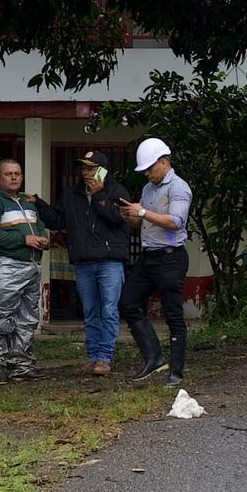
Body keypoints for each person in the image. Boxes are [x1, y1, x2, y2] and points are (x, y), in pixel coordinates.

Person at [60, 150, 139, 375]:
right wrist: (38, 205)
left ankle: (105, 357)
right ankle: (94, 356)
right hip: (84, 262)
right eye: (84, 168)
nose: (86, 173)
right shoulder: (72, 194)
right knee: (90, 311)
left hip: (110, 262)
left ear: (103, 170)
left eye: (92, 168)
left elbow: (116, 219)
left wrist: (98, 195)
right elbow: (60, 219)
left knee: (109, 309)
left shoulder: (117, 192)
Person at [0, 154, 53, 380]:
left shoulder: (28, 202)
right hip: (6, 266)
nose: (14, 178)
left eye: (17, 174)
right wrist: (24, 240)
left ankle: (22, 365)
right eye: (9, 174)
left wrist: (42, 239)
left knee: (27, 318)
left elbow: (39, 227)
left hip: (31, 266)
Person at [126, 136, 195, 382]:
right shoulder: (148, 189)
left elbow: (176, 222)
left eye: (149, 169)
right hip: (149, 255)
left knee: (173, 315)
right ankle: (154, 358)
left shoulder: (178, 187)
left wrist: (143, 212)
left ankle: (176, 372)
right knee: (128, 303)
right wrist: (131, 215)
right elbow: (143, 221)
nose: (146, 174)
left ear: (164, 162)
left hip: (170, 257)